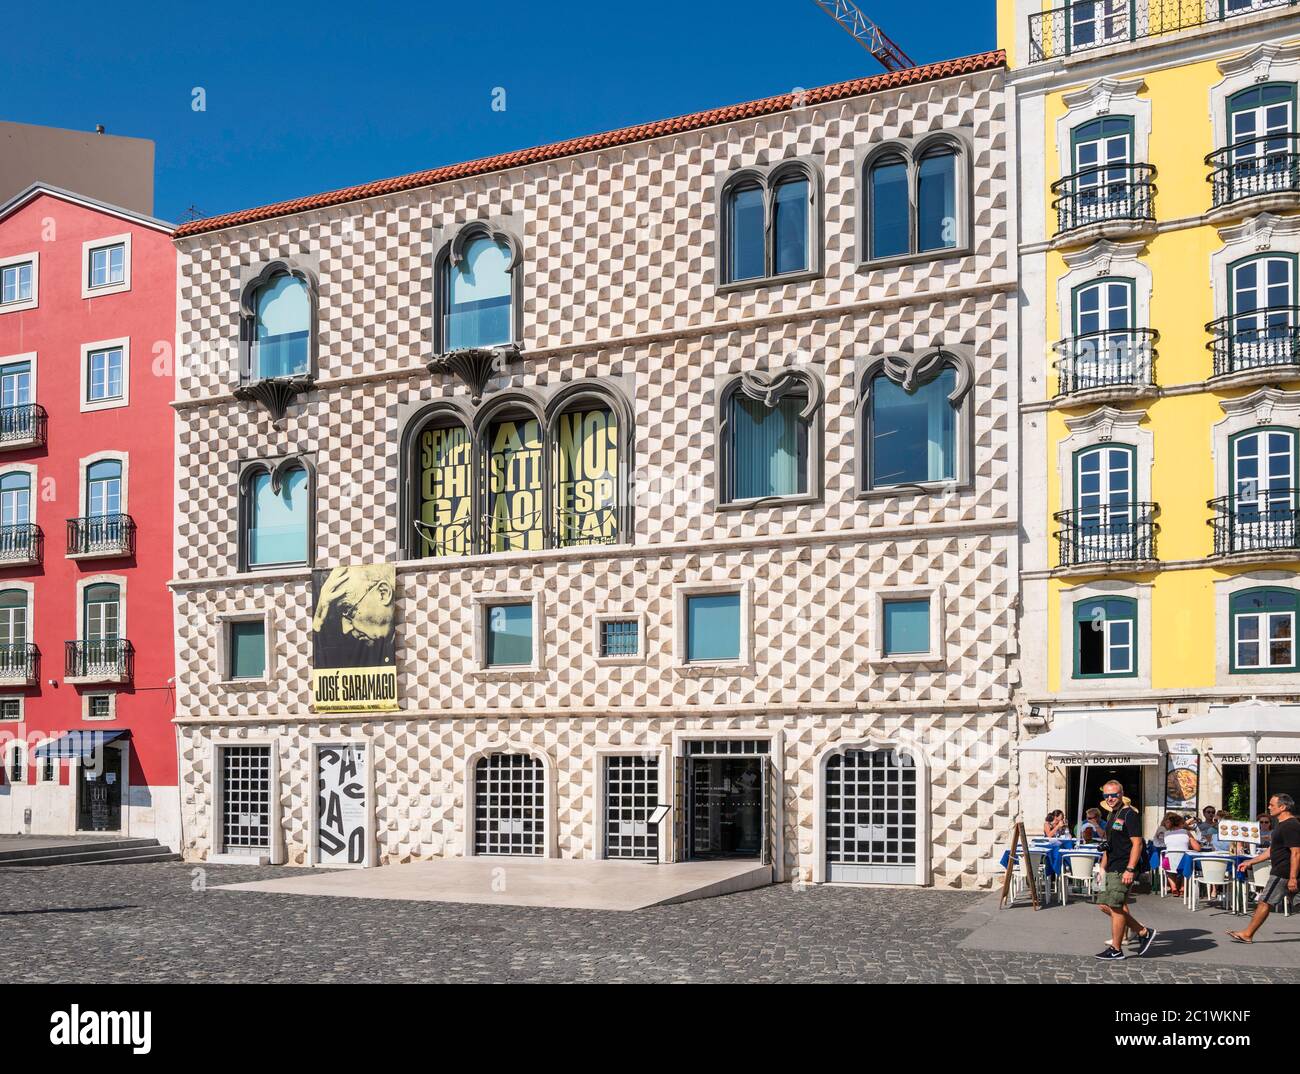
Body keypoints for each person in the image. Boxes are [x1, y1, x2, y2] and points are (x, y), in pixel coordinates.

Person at [1095, 781, 1157, 960]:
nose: (1110, 798)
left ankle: (1116, 949)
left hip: (1123, 867)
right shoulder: (1111, 815)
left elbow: (1137, 843)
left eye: (1113, 795)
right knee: (1104, 905)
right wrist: (1102, 866)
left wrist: (1130, 869)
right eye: (1107, 795)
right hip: (1110, 865)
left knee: (1115, 907)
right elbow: (1109, 844)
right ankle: (1143, 931)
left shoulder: (1130, 814)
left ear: (1121, 794)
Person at [1229, 794, 1300, 944]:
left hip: (1283, 872)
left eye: (1272, 805)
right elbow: (1271, 851)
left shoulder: (1291, 825)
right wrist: (1250, 862)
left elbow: (1296, 852)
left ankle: (1247, 934)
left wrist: (1292, 877)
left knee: (1265, 901)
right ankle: (1247, 934)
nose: (1269, 807)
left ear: (1283, 807)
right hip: (1284, 871)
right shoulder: (1281, 825)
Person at [1158, 812, 1201, 898]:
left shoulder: (1166, 833)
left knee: (1167, 864)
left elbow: (1162, 845)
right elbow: (1197, 848)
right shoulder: (1186, 832)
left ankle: (1173, 888)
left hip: (1170, 862)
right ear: (1180, 823)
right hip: (1184, 860)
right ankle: (1183, 887)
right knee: (1188, 862)